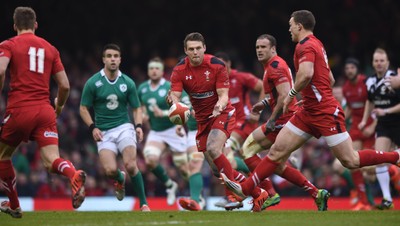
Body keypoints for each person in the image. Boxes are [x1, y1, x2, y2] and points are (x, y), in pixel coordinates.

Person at [221, 10, 400, 212]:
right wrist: (309, 96)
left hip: (324, 111)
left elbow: (306, 74)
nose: (289, 29)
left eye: (291, 25)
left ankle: (395, 157)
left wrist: (292, 94)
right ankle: (246, 188)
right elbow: (330, 80)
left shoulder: (304, 46)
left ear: (299, 26)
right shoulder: (317, 44)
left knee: (351, 160)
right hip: (308, 110)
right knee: (276, 151)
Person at [0, 7, 86, 218]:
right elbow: (64, 86)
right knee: (51, 161)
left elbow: (1, 70)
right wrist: (58, 107)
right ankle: (73, 173)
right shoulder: (50, 49)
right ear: (35, 25)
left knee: (2, 156)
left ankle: (14, 204)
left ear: (14, 26)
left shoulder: (8, 44)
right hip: (45, 111)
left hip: (19, 110)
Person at [230, 34, 327, 211]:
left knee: (248, 150)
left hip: (284, 119)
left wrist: (272, 120)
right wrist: (264, 103)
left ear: (273, 49)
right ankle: (315, 193)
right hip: (285, 117)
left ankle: (266, 192)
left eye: (263, 47)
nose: (259, 50)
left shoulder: (275, 67)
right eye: (257, 47)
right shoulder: (271, 66)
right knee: (278, 165)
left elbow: (284, 95)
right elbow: (278, 94)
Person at [167, 32, 255, 207]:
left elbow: (223, 95)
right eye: (191, 49)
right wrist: (174, 104)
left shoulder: (216, 64)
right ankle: (257, 190)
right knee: (216, 170)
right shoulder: (179, 70)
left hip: (222, 113)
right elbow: (175, 96)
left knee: (214, 149)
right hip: (202, 121)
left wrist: (219, 105)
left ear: (204, 48)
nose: (195, 52)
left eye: (198, 48)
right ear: (186, 51)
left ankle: (235, 194)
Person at [79, 43, 150, 211]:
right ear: (103, 59)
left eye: (115, 56)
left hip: (124, 127)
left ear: (120, 60)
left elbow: (136, 107)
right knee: (110, 170)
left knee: (131, 164)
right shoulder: (93, 82)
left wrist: (138, 125)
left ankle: (144, 203)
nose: (112, 59)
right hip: (103, 131)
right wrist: (92, 128)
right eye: (109, 56)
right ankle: (119, 178)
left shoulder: (128, 82)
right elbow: (83, 108)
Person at [138, 57, 199, 207]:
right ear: (148, 70)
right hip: (156, 132)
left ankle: (196, 198)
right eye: (151, 68)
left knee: (185, 171)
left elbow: (185, 108)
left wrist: (164, 113)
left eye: (157, 68)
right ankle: (170, 185)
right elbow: (142, 107)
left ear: (162, 71)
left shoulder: (170, 87)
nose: (154, 71)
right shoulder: (142, 89)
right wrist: (144, 115)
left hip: (174, 130)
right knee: (150, 160)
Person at [213, 51, 264, 210]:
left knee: (226, 158)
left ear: (229, 65)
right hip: (227, 125)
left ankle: (233, 197)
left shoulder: (241, 77)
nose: (219, 68)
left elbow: (263, 86)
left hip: (243, 124)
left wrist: (258, 111)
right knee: (224, 164)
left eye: (223, 65)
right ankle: (256, 174)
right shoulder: (215, 82)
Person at [331, 58, 376, 211]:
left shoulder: (366, 83)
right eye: (347, 68)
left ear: (357, 69)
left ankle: (392, 172)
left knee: (370, 171)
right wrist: (341, 120)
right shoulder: (346, 88)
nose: (349, 70)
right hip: (357, 128)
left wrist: (373, 125)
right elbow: (350, 108)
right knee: (353, 164)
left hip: (370, 127)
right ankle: (363, 201)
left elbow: (376, 103)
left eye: (352, 67)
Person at [359, 48, 400, 210]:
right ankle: (387, 199)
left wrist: (386, 111)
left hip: (397, 122)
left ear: (388, 63)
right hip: (383, 124)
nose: (379, 63)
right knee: (380, 160)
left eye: (382, 60)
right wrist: (364, 120)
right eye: (376, 61)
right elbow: (370, 101)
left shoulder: (395, 79)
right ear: (372, 63)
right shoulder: (369, 81)